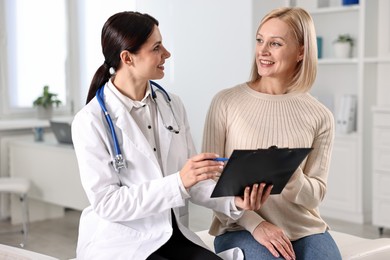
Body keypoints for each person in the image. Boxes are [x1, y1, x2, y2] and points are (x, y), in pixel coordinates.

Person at [71, 11, 272, 260]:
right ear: (127, 58)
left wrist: (235, 202)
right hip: (123, 240)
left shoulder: (172, 104)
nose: (166, 53)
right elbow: (108, 203)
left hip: (172, 233)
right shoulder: (90, 121)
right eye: (156, 47)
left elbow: (194, 181)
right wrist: (179, 182)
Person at [202, 7, 342, 260]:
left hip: (305, 229)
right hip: (239, 227)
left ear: (301, 51)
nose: (263, 51)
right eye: (260, 40)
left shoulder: (320, 115)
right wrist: (256, 224)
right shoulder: (226, 102)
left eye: (275, 43)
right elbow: (209, 182)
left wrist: (291, 177)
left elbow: (317, 193)